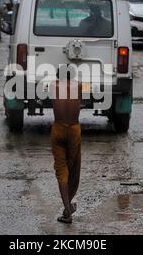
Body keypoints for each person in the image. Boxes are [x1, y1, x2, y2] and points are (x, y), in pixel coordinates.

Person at [50, 68, 82, 224]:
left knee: (61, 170)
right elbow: (80, 102)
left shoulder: (52, 85)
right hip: (74, 129)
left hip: (57, 129)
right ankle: (68, 207)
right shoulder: (79, 85)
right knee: (73, 167)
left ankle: (67, 211)